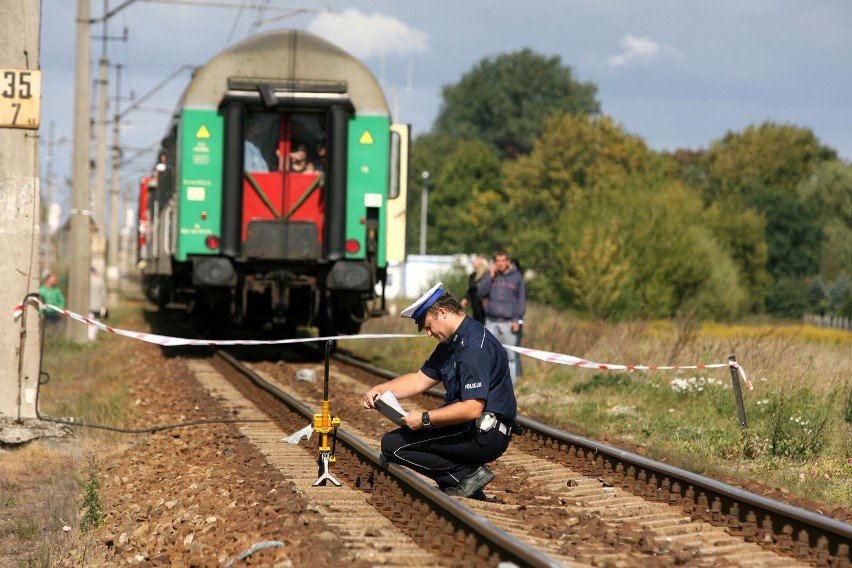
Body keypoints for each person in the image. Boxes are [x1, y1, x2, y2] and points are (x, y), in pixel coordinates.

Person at [362, 282, 517, 499]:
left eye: (427, 326)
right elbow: (418, 380)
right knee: (397, 441)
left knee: (394, 445)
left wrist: (425, 419)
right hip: (471, 427)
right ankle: (466, 482)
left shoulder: (473, 348)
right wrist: (380, 390)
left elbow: (473, 408)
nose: (428, 333)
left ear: (442, 312)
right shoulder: (451, 343)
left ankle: (466, 475)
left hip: (484, 434)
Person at [477, 249, 526, 384]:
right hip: (491, 321)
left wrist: (517, 319)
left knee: (510, 355)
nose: (500, 263)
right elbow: (480, 293)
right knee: (487, 353)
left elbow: (521, 300)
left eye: (503, 260)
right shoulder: (490, 275)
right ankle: (488, 383)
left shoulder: (517, 277)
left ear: (508, 262)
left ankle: (511, 386)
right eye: (497, 261)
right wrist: (490, 277)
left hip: (509, 322)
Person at [460, 254, 487, 324]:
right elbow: (470, 290)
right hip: (475, 307)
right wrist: (465, 299)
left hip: (485, 308)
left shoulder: (487, 276)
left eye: (476, 260)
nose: (474, 261)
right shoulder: (472, 276)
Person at [88, 267, 107, 341]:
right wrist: (104, 304)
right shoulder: (100, 280)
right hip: (97, 305)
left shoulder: (86, 280)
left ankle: (90, 337)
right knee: (96, 321)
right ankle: (93, 337)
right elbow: (103, 294)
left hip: (88, 306)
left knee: (89, 321)